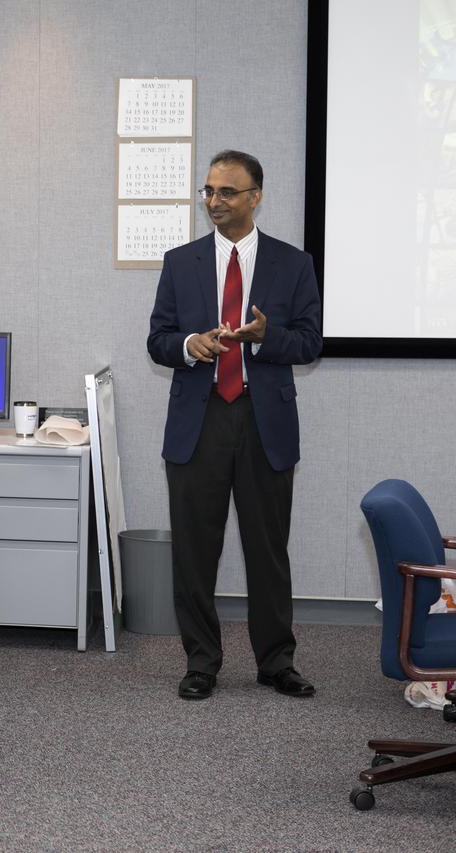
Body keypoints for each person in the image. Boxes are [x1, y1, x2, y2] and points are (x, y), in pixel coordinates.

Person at [146, 150, 322, 702]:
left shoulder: (292, 264)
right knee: (195, 549)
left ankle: (276, 662)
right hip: (198, 421)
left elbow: (311, 343)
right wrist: (187, 346)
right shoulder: (181, 262)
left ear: (255, 196)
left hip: (262, 418)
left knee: (267, 548)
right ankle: (202, 662)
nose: (214, 201)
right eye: (208, 192)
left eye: (227, 192)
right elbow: (157, 339)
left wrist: (266, 338)